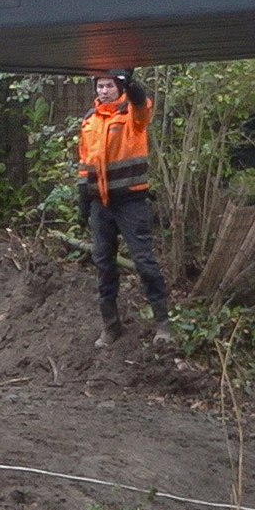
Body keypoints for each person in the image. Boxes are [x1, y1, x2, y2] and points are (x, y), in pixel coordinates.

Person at [77, 68, 173, 347]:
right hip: (101, 205)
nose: (104, 91)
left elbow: (143, 105)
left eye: (109, 86)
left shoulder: (133, 115)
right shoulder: (89, 121)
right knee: (104, 264)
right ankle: (111, 327)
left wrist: (133, 85)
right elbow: (85, 165)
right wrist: (83, 202)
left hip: (130, 202)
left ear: (119, 88)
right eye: (100, 86)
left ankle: (163, 323)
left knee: (143, 261)